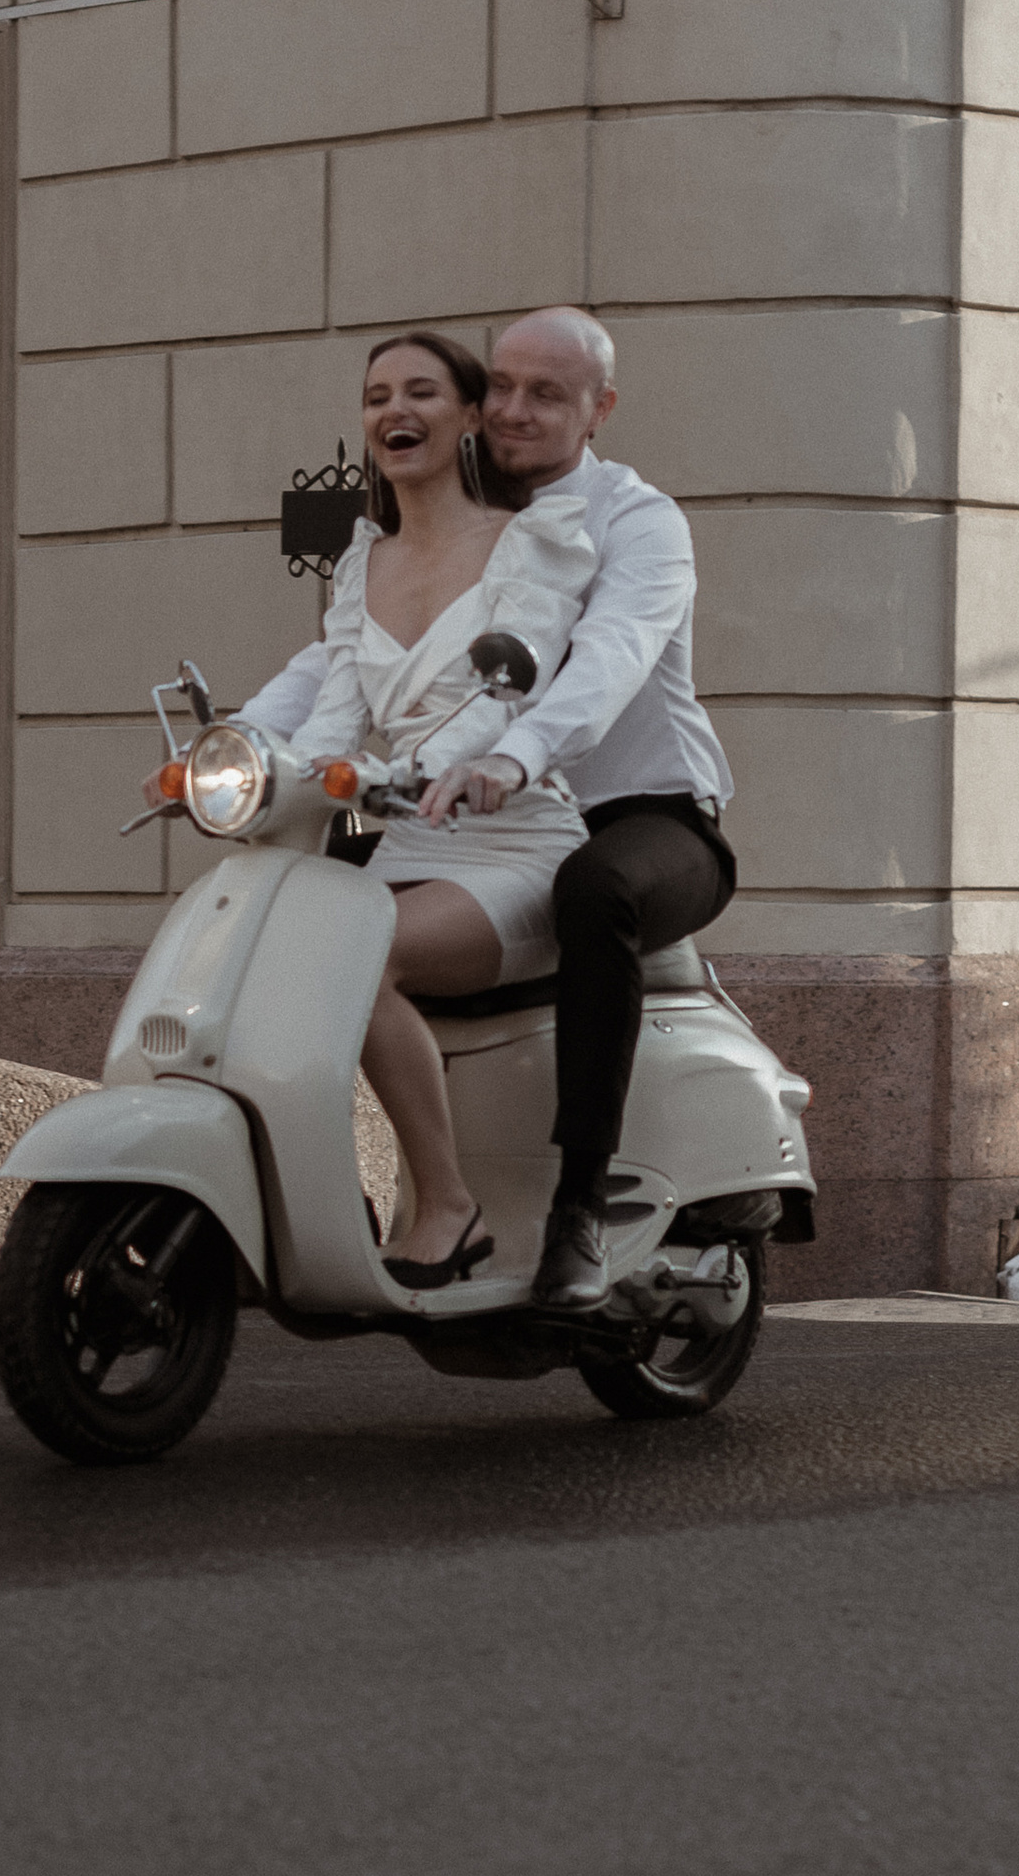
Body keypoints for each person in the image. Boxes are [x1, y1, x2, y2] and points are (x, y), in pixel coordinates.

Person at [241, 306, 733, 1318]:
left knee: (595, 890)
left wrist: (510, 757)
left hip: (639, 809)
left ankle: (579, 1210)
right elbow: (335, 665)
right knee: (294, 918)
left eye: (544, 393)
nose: (514, 410)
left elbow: (605, 662)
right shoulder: (447, 519)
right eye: (502, 385)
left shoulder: (627, 521)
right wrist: (233, 749)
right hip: (459, 804)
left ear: (598, 409)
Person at [264, 329, 595, 1293]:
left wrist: (430, 762)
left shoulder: (530, 543)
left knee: (357, 955)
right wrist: (246, 769)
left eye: (419, 392)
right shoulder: (360, 562)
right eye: (375, 397)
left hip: (514, 838)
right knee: (279, 952)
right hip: (407, 833)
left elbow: (507, 694)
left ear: (465, 420)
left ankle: (450, 1205)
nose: (393, 412)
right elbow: (334, 715)